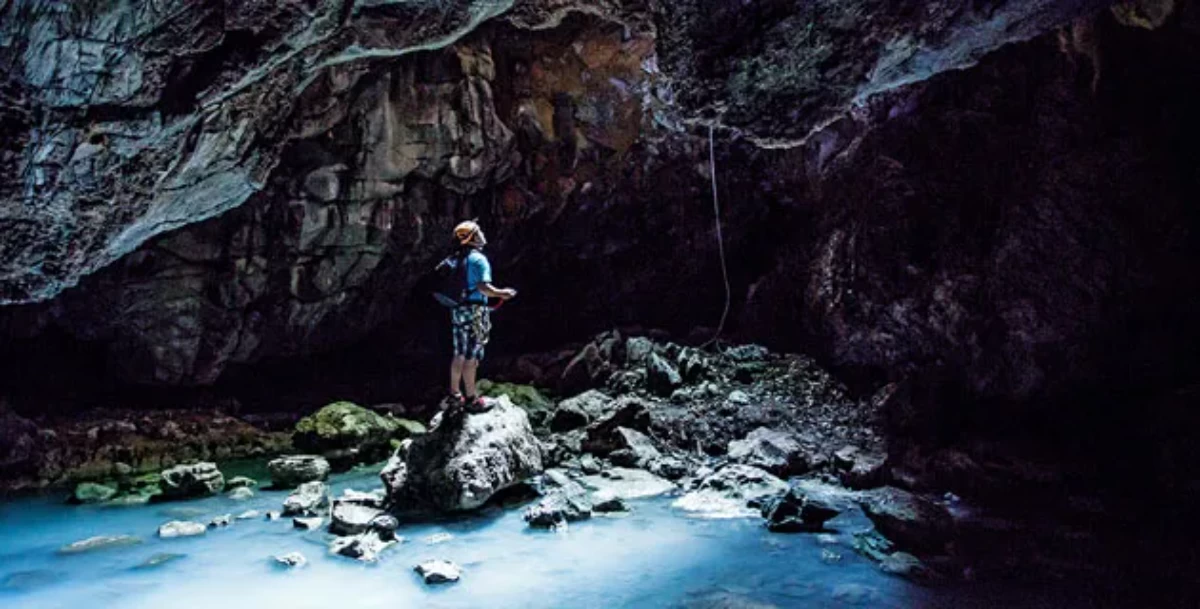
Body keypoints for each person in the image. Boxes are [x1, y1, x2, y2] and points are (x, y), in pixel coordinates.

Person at [446, 221, 517, 413]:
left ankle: (454, 395)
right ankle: (471, 399)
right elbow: (483, 287)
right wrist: (503, 293)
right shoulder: (479, 259)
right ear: (473, 238)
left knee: (459, 352)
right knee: (473, 355)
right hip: (476, 311)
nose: (483, 233)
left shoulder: (457, 258)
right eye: (479, 231)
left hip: (458, 310)